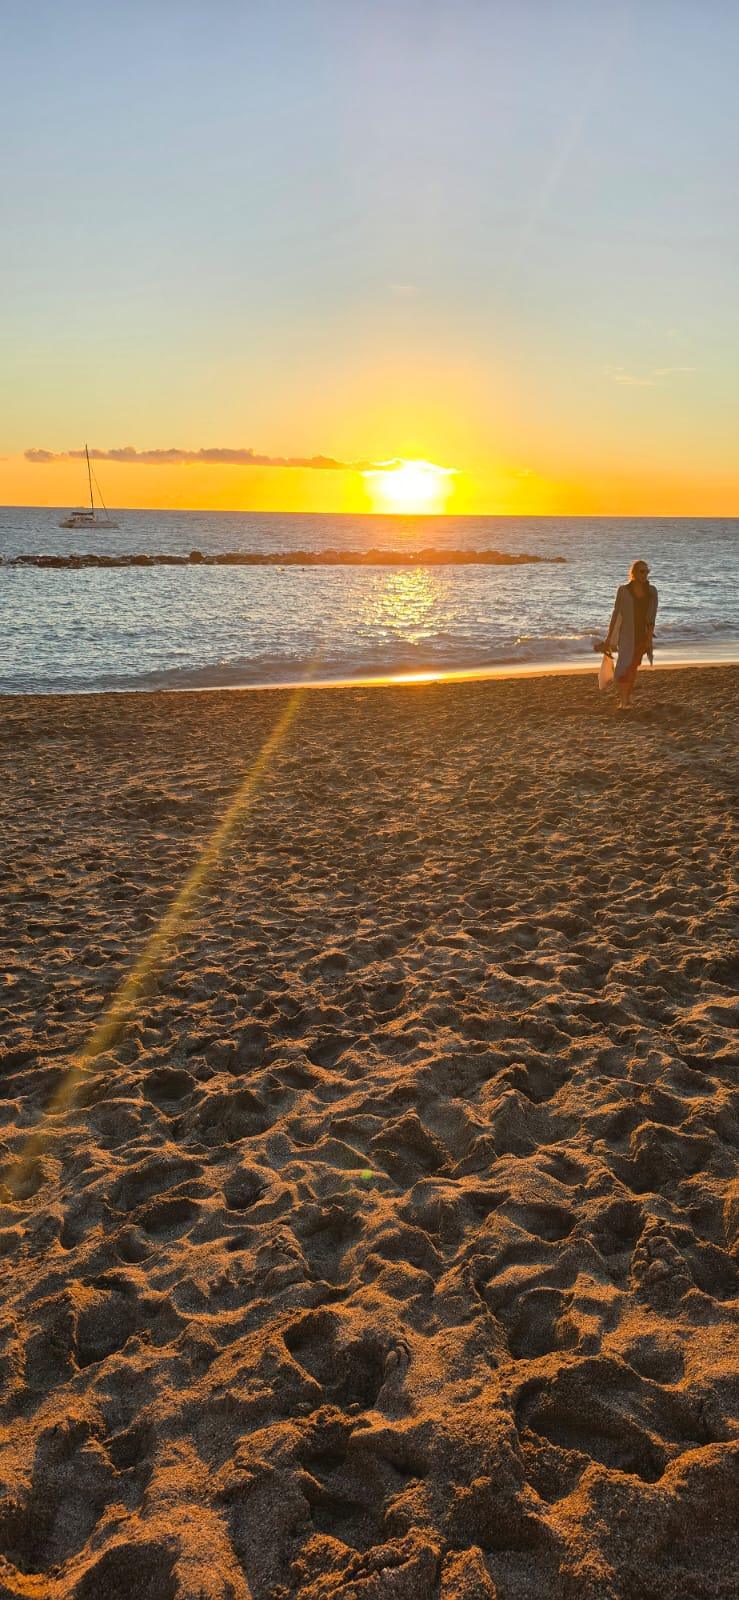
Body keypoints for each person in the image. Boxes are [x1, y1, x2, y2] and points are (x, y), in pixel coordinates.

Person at [604, 560, 658, 710]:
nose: (645, 574)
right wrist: (609, 636)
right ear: (634, 573)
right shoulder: (623, 590)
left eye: (647, 572)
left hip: (642, 635)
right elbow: (616, 614)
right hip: (626, 635)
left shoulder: (652, 591)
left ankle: (627, 698)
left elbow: (652, 617)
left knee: (633, 667)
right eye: (642, 571)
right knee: (623, 665)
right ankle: (623, 699)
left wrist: (649, 638)